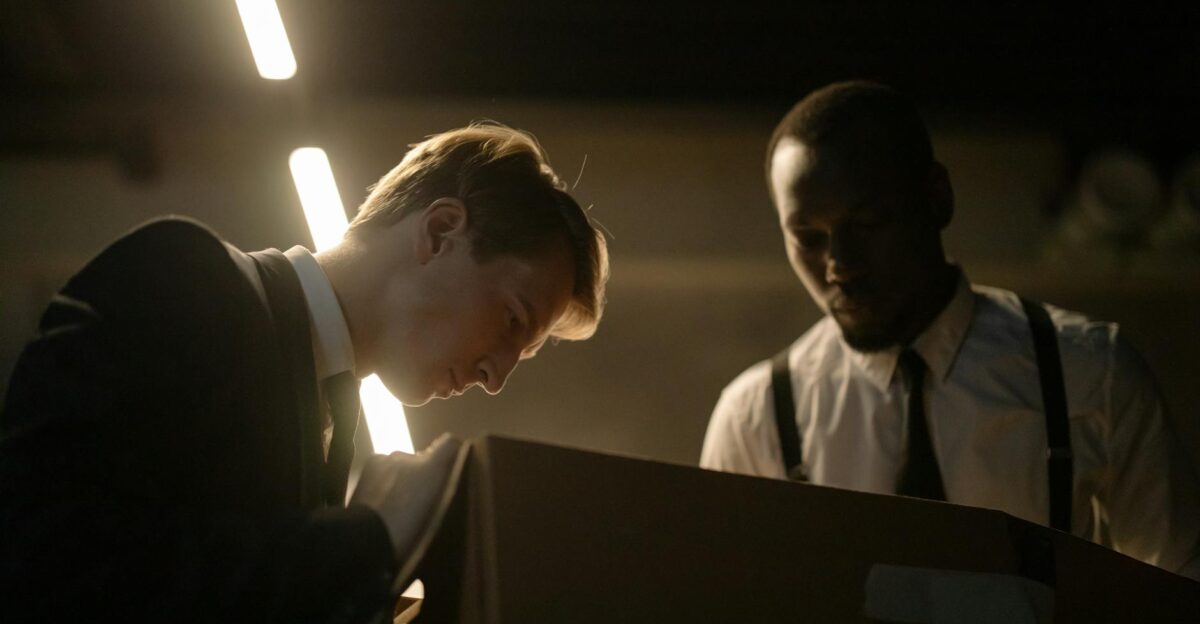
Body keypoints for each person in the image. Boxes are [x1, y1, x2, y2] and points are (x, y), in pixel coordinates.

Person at [0, 123, 609, 620]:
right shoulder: (183, 280)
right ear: (441, 230)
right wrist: (370, 535)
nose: (495, 377)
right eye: (510, 320)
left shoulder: (329, 424)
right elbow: (41, 564)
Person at [699, 81, 1200, 579]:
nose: (840, 263)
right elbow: (714, 598)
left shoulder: (1091, 373)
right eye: (808, 237)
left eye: (869, 222)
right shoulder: (755, 416)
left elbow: (1179, 586)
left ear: (937, 199)